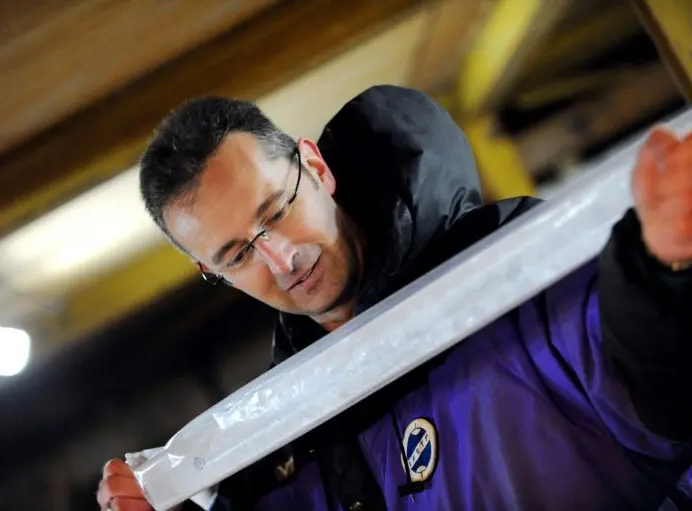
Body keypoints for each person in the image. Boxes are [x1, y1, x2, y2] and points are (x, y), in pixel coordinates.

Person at [98, 86, 692, 511]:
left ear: (315, 165)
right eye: (237, 255)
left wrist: (665, 273)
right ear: (212, 271)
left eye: (278, 209)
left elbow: (653, 373)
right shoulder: (281, 444)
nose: (282, 258)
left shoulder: (515, 273)